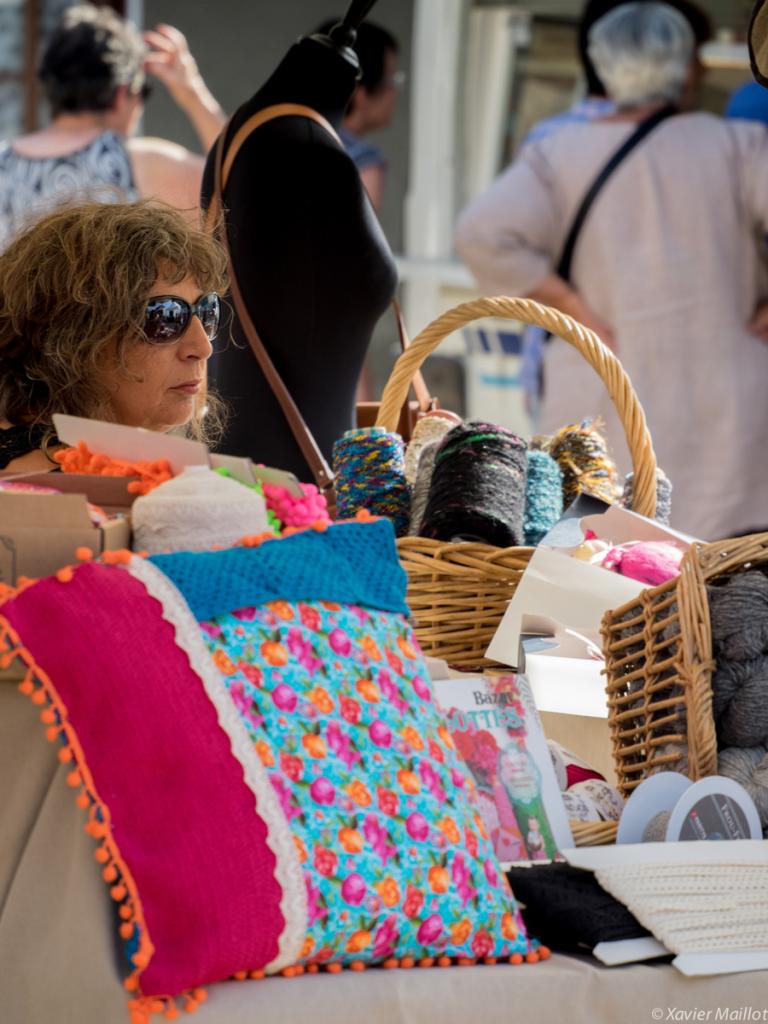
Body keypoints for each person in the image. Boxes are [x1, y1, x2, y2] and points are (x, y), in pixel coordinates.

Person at [456, 2, 768, 541]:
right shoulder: (736, 145)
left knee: (604, 562)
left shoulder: (558, 154)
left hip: (607, 394)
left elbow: (481, 233)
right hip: (725, 404)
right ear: (685, 67)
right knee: (725, 570)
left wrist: (570, 306)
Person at [519, 0, 711, 418]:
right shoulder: (686, 144)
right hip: (643, 377)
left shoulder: (549, 137)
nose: (700, 71)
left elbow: (504, 244)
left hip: (563, 364)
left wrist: (571, 306)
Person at [0, 200, 227, 474]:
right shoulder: (83, 481)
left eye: (207, 311)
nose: (202, 347)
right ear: (73, 339)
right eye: (164, 318)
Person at [0, 5, 225, 248]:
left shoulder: (3, 161)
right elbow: (236, 181)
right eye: (142, 92)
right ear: (121, 94)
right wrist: (193, 94)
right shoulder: (138, 164)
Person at [316, 18, 402, 210]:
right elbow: (358, 230)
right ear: (360, 93)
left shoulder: (278, 141)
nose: (395, 92)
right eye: (392, 81)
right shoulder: (363, 161)